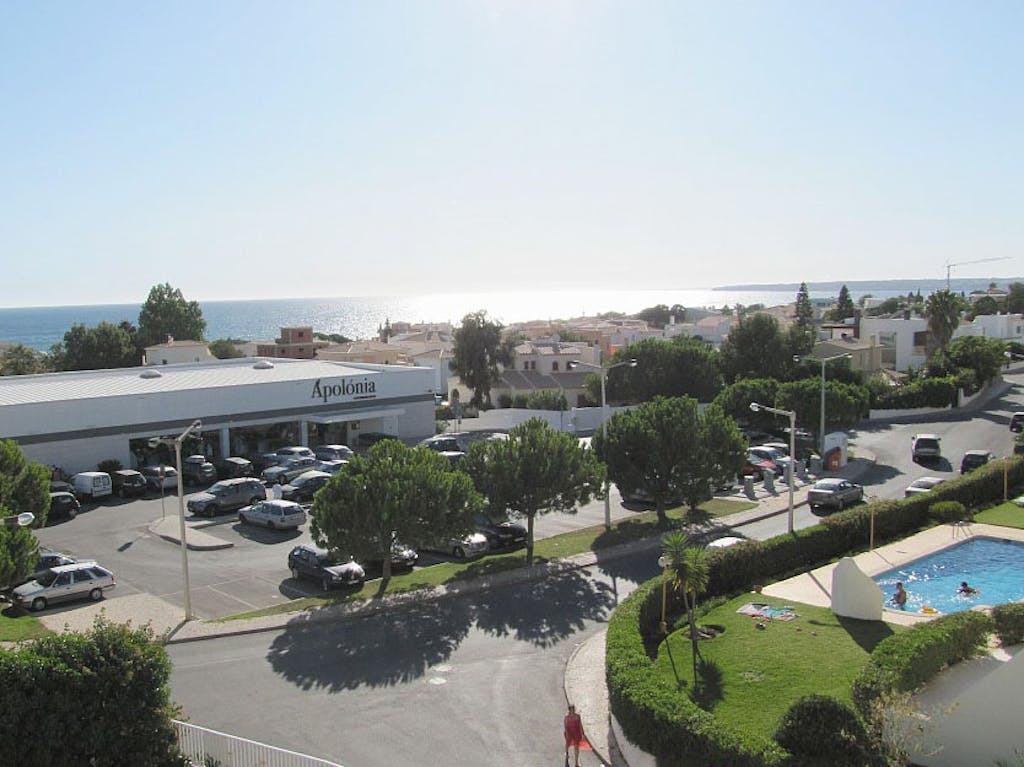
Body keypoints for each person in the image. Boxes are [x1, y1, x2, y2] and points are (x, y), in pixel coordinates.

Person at [563, 703, 584, 767]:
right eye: (571, 710)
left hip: (576, 733)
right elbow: (565, 726)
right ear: (569, 710)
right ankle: (567, 753)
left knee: (576, 747)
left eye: (573, 709)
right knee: (567, 745)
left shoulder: (577, 716)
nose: (572, 711)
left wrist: (582, 733)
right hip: (569, 733)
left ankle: (576, 763)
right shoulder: (566, 717)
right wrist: (566, 733)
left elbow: (580, 725)